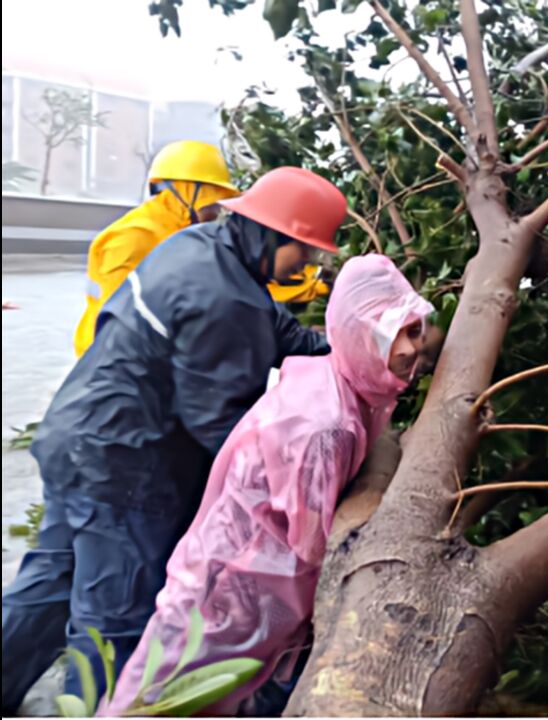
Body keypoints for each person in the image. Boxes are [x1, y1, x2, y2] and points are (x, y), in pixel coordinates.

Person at [1, 167, 347, 714]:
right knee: (112, 625)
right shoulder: (224, 299)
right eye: (303, 250)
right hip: (124, 472)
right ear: (271, 234)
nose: (308, 265)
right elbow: (223, 428)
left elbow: (276, 329)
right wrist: (295, 489)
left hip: (78, 440)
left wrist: (347, 346)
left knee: (47, 588)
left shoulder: (203, 247)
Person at [100, 254, 435, 717]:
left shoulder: (334, 380)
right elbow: (312, 545)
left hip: (234, 587)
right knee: (158, 704)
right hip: (230, 601)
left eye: (419, 330)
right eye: (407, 332)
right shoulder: (327, 427)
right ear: (364, 333)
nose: (419, 347)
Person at [74, 140, 240, 357]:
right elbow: (121, 322)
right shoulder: (133, 237)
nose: (215, 213)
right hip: (111, 361)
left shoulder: (184, 232)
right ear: (189, 194)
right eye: (210, 204)